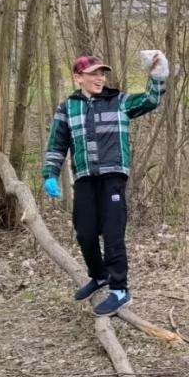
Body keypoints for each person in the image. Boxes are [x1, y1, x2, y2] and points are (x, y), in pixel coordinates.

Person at [41, 51, 169, 316]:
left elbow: (151, 100)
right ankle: (99, 276)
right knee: (85, 233)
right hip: (85, 178)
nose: (100, 78)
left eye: (102, 74)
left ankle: (120, 290)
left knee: (112, 234)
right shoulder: (67, 108)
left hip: (113, 177)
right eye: (94, 74)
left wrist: (157, 75)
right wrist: (50, 173)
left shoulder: (119, 101)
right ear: (79, 78)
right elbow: (57, 143)